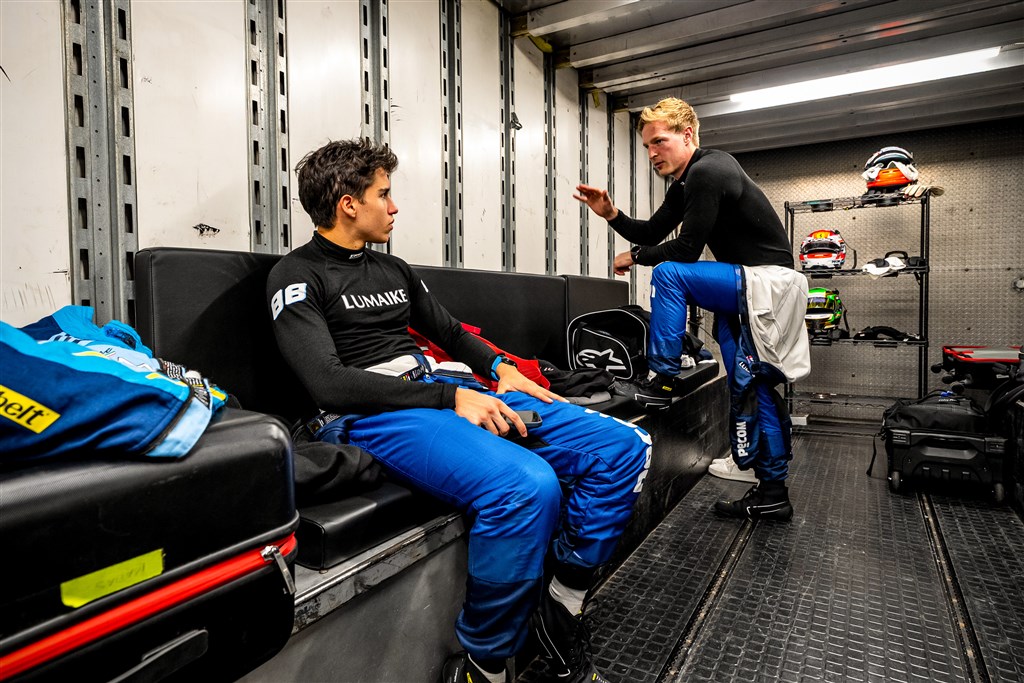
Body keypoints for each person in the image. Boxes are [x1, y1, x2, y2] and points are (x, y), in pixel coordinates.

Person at [268, 139, 651, 683]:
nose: (394, 206)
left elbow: (448, 332)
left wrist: (502, 367)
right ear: (349, 204)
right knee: (526, 487)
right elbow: (326, 383)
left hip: (445, 390)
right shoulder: (296, 275)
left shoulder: (394, 269)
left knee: (623, 448)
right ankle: (485, 663)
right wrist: (450, 399)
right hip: (375, 413)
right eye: (384, 194)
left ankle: (561, 602)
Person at [574, 98, 809, 522]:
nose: (652, 153)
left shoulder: (709, 170)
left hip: (769, 284)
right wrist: (610, 214)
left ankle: (663, 380)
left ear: (687, 135)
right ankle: (773, 492)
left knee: (669, 274)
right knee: (750, 385)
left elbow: (684, 250)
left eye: (659, 141)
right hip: (749, 288)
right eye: (647, 146)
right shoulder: (685, 184)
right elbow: (651, 231)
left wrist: (636, 256)